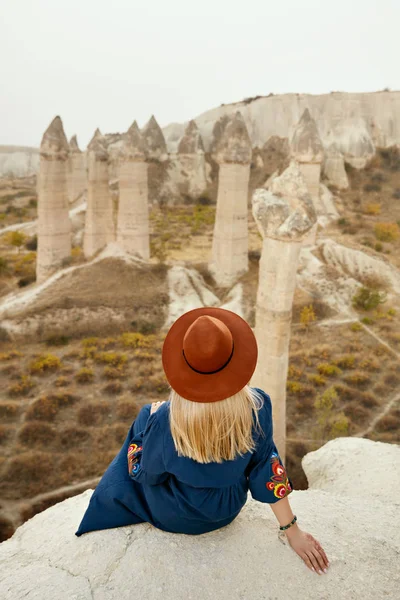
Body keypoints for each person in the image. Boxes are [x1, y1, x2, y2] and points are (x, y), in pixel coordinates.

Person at [76, 307, 329, 575]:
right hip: (227, 509)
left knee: (144, 417)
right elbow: (267, 468)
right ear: (235, 362)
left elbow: (147, 475)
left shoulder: (166, 420)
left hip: (176, 514)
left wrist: (146, 430)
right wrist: (293, 531)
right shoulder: (258, 407)